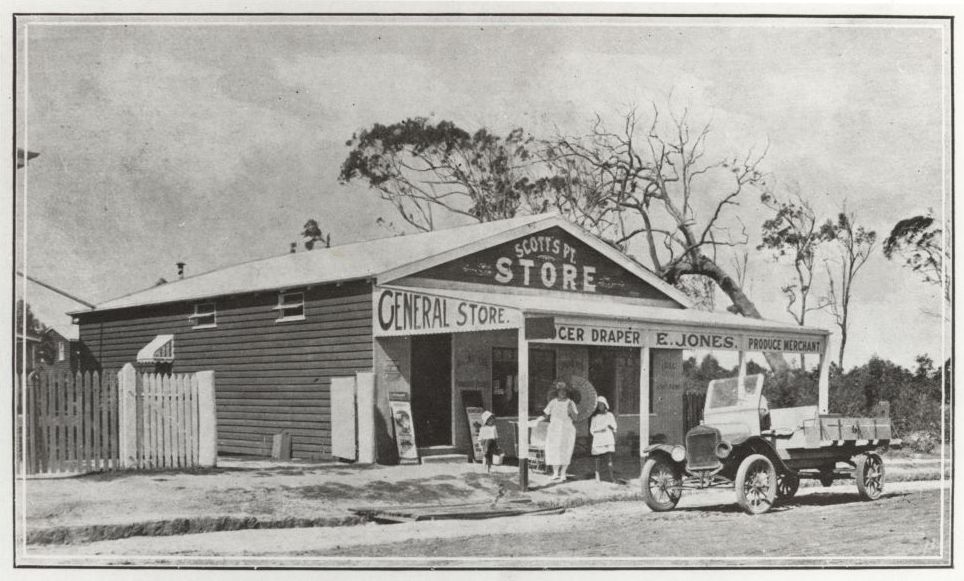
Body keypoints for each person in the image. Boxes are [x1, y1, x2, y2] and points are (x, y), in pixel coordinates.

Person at [540, 380, 578, 481]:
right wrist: (537, 420)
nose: (563, 393)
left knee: (565, 450)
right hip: (554, 429)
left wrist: (570, 410)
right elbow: (546, 414)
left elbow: (575, 418)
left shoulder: (571, 402)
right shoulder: (553, 402)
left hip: (566, 429)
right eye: (560, 391)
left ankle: (563, 473)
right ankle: (555, 472)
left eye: (564, 391)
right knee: (553, 449)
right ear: (557, 392)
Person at [589, 396, 618, 482]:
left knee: (609, 458)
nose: (600, 406)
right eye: (598, 405)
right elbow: (592, 430)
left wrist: (610, 426)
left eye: (602, 404)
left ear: (605, 405)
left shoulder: (610, 415)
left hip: (607, 438)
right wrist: (599, 429)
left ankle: (611, 477)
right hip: (598, 439)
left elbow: (615, 426)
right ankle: (597, 476)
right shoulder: (595, 417)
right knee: (597, 458)